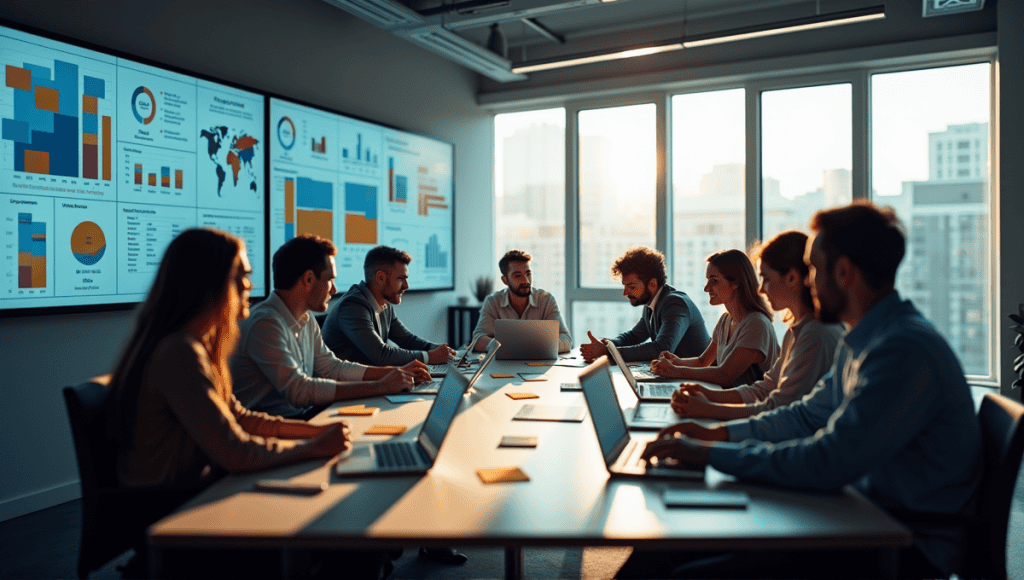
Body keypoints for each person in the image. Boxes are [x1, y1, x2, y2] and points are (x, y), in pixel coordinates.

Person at [634, 202, 982, 578]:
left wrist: (715, 454)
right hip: (859, 509)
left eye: (814, 268)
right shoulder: (864, 340)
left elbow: (827, 461)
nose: (809, 280)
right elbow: (804, 416)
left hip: (899, 542)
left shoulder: (901, 352)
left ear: (844, 272)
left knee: (685, 568)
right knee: (664, 548)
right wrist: (716, 436)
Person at [106, 229, 393, 578]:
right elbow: (235, 452)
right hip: (179, 509)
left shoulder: (195, 347)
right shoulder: (180, 353)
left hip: (204, 488)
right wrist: (313, 446)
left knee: (350, 522)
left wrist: (311, 433)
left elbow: (241, 418)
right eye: (241, 277)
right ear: (209, 284)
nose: (249, 286)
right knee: (353, 536)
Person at [231, 234, 428, 421]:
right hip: (273, 428)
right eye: (330, 279)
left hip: (302, 417)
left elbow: (333, 369)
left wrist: (396, 373)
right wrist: (381, 386)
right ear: (308, 279)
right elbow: (300, 391)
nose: (334, 290)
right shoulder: (266, 323)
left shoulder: (305, 319)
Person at [671, 231, 843, 420]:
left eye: (766, 279)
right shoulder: (796, 331)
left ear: (792, 278)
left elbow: (778, 408)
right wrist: (704, 394)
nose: (761, 288)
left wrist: (708, 408)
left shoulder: (813, 333)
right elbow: (765, 389)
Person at [650, 248, 780, 388]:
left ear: (736, 283)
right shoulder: (725, 320)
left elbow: (724, 375)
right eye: (708, 280)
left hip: (757, 408)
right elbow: (703, 361)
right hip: (732, 402)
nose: (706, 288)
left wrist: (675, 371)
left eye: (714, 281)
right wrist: (676, 362)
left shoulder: (756, 324)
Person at [322, 245, 457, 366]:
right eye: (400, 279)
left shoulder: (384, 304)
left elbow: (407, 340)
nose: (406, 286)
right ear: (380, 278)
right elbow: (381, 355)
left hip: (370, 384)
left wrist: (444, 351)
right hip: (349, 389)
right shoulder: (352, 306)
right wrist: (429, 357)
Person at [580, 245, 709, 363]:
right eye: (625, 286)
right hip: (678, 375)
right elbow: (634, 336)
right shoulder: (651, 305)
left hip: (702, 380)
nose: (625, 292)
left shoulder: (675, 303)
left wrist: (609, 352)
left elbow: (662, 348)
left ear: (652, 284)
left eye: (632, 287)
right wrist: (607, 345)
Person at [469, 249, 572, 353]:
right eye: (518, 276)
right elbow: (477, 339)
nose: (526, 281)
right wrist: (500, 345)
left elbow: (566, 340)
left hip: (539, 365)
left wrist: (534, 346)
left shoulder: (546, 300)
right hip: (504, 366)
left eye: (528, 274)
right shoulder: (492, 302)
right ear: (505, 280)